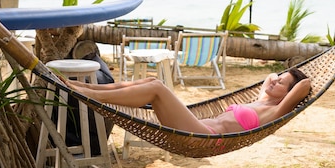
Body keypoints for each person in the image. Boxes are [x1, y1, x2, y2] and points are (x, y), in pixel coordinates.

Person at [63, 67, 311, 134]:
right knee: (152, 80)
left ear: (287, 95)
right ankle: (88, 86)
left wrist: (292, 81)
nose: (274, 81)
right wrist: (277, 79)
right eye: (277, 78)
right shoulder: (261, 99)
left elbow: (304, 86)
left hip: (205, 136)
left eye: (281, 83)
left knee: (157, 87)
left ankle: (93, 94)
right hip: (196, 124)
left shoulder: (276, 110)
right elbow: (269, 75)